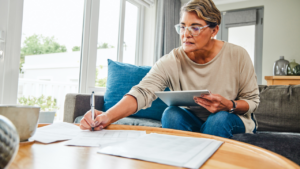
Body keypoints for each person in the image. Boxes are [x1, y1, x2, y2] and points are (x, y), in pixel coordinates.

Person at [79, 0, 259, 138]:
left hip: (231, 119)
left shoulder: (238, 55)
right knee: (171, 114)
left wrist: (229, 105)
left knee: (218, 118)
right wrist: (107, 116)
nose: (185, 34)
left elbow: (252, 101)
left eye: (195, 28)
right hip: (193, 120)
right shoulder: (173, 60)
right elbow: (142, 92)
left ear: (214, 30)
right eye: (182, 27)